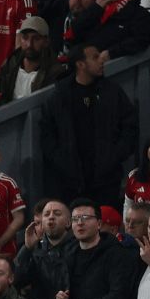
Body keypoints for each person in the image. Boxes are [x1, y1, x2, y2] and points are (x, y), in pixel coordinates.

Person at [41, 45, 138, 208]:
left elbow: (130, 126)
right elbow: (47, 133)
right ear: (80, 64)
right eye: (95, 57)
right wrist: (62, 161)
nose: (101, 60)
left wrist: (115, 155)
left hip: (106, 179)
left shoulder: (112, 92)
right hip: (70, 181)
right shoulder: (60, 96)